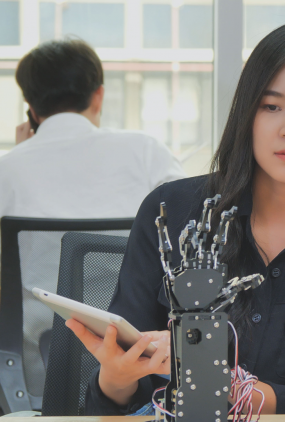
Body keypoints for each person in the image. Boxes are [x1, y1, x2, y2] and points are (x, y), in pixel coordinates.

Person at [67, 22, 285, 416]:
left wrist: (241, 393)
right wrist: (115, 377)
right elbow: (114, 398)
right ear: (247, 112)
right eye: (271, 106)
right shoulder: (172, 212)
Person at [2, 38, 185, 399]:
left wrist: (21, 151)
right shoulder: (145, 152)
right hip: (140, 361)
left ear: (31, 109)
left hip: (35, 370)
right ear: (98, 96)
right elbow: (191, 236)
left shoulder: (7, 169)